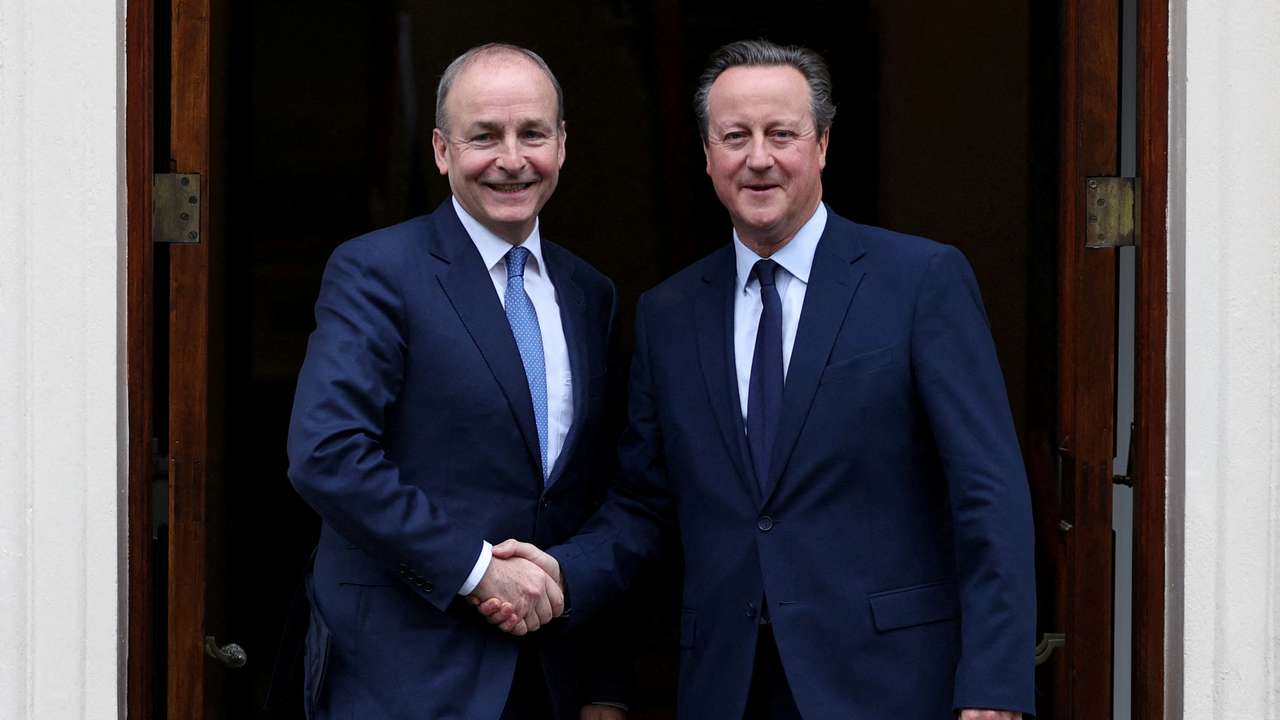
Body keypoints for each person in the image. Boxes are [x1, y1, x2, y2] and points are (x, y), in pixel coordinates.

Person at [479, 39, 1036, 719]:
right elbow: (645, 505)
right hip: (728, 684)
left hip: (890, 683)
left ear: (823, 144)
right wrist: (563, 573)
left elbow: (989, 494)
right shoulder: (670, 314)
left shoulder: (919, 282)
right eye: (735, 136)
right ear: (709, 156)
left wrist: (995, 686)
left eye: (781, 134)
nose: (759, 158)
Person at [287, 43, 627, 720]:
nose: (511, 158)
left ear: (562, 145)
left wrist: (605, 689)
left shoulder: (591, 294)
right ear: (442, 151)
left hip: (547, 679)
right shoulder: (377, 272)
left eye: (532, 133)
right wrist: (477, 570)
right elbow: (327, 453)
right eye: (484, 136)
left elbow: (593, 495)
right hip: (406, 679)